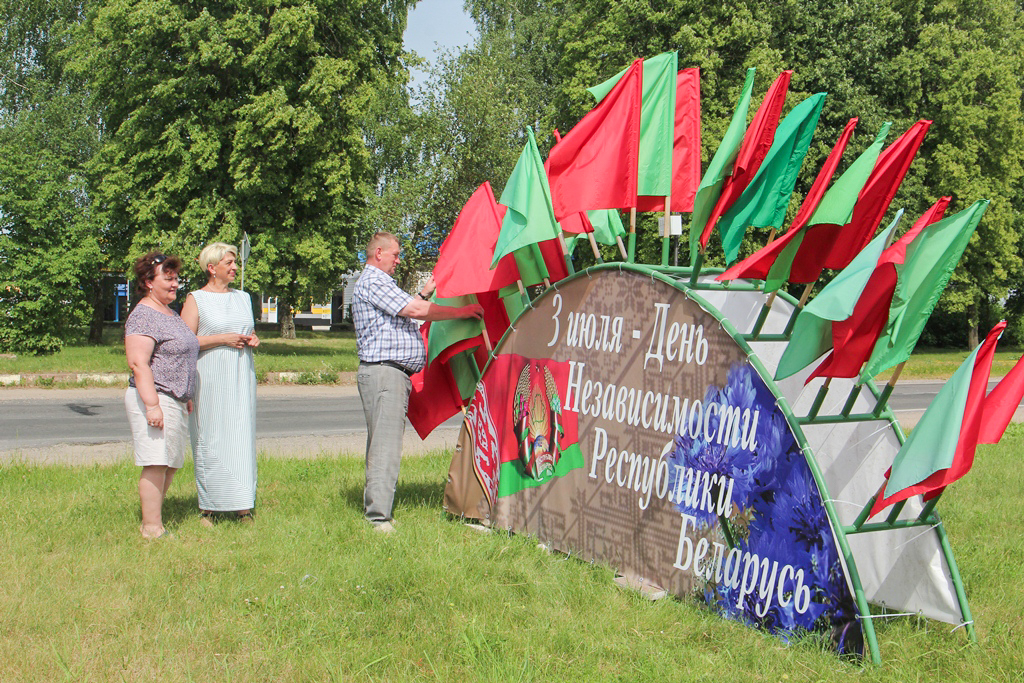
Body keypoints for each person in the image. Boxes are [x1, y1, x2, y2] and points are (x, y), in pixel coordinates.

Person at [352, 232, 484, 533]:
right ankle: (378, 518)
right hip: (384, 373)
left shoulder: (379, 283)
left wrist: (424, 294)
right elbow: (415, 312)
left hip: (389, 373)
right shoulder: (374, 280)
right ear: (380, 253)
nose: (399, 260)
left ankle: (379, 510)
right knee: (385, 446)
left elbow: (407, 315)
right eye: (396, 255)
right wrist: (461, 312)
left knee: (383, 444)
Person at [181, 242, 260, 525]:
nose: (235, 267)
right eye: (229, 263)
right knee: (211, 437)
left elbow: (246, 329)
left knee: (240, 437)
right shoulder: (196, 299)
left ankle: (243, 506)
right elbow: (185, 341)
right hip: (210, 377)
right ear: (212, 268)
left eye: (235, 262)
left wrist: (252, 338)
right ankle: (210, 507)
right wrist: (221, 339)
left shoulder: (243, 297)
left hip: (241, 375)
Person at [124, 252, 200, 539]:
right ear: (147, 282)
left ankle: (154, 518)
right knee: (156, 462)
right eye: (167, 279)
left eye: (176, 278)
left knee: (170, 463)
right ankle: (152, 527)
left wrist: (186, 392)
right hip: (154, 397)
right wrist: (152, 405)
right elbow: (138, 363)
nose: (174, 284)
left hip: (174, 398)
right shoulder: (144, 315)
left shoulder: (169, 313)